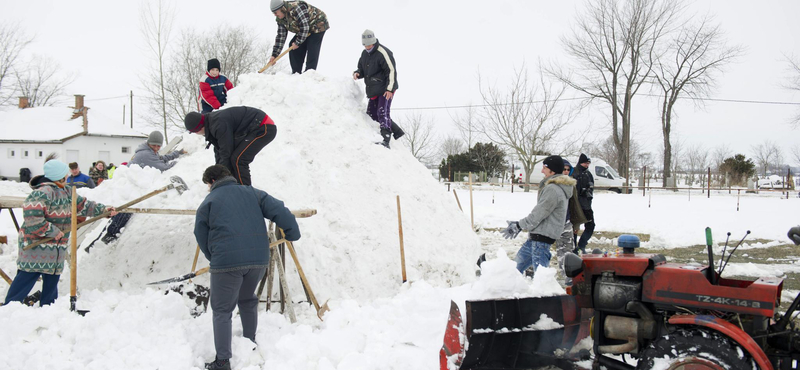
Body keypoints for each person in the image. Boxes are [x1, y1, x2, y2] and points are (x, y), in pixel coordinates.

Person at [195, 165, 300, 370]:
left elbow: (200, 233)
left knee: (222, 310)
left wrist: (213, 257)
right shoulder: (254, 193)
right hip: (258, 261)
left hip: (226, 264)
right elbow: (280, 210)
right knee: (247, 299)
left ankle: (223, 362)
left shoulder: (209, 201)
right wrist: (292, 234)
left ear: (211, 182)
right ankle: (249, 341)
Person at [4, 158, 116, 306]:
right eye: (65, 175)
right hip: (36, 248)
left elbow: (83, 205)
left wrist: (103, 210)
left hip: (56, 249)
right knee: (26, 278)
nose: (68, 177)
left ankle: (49, 309)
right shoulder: (41, 193)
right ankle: (9, 308)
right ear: (59, 176)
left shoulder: (67, 191)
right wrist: (51, 231)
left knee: (51, 282)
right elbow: (33, 218)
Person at [91, 131, 185, 248]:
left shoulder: (149, 151)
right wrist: (181, 163)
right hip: (130, 187)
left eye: (158, 146)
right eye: (154, 145)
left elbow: (161, 158)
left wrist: (177, 154)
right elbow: (163, 167)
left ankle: (100, 240)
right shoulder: (145, 154)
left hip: (133, 186)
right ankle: (108, 236)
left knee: (121, 211)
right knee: (125, 210)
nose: (156, 148)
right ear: (149, 143)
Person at [502, 155, 576, 274]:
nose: (542, 171)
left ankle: (546, 292)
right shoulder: (555, 187)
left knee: (542, 278)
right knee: (515, 270)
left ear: (552, 170)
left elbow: (538, 214)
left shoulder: (553, 189)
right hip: (536, 237)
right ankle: (501, 288)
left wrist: (519, 225)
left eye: (544, 168)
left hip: (541, 240)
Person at [184, 106, 277, 186]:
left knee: (238, 159)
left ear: (197, 130)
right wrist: (216, 175)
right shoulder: (210, 123)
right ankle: (234, 188)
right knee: (233, 159)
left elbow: (226, 151)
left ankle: (245, 194)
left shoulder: (218, 124)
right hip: (254, 128)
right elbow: (220, 151)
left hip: (264, 127)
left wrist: (219, 179)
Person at [353, 29, 404, 148]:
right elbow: (361, 68)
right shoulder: (364, 54)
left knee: (382, 112)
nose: (367, 47)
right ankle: (397, 131)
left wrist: (390, 89)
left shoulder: (383, 52)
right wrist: (357, 73)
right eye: (365, 45)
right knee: (371, 114)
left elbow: (391, 71)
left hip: (386, 88)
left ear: (374, 41)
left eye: (369, 44)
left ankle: (386, 139)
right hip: (374, 88)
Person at [269, 0, 329, 74]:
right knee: (293, 46)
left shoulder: (297, 8)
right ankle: (296, 73)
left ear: (282, 8)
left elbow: (305, 27)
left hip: (317, 25)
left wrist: (298, 42)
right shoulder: (281, 19)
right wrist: (274, 55)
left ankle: (309, 73)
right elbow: (281, 36)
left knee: (312, 46)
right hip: (304, 29)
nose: (275, 15)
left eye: (275, 12)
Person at [555, 159, 587, 285]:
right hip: (552, 223)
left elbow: (574, 205)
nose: (566, 171)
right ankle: (533, 272)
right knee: (541, 248)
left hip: (566, 222)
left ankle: (567, 276)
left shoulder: (571, 184)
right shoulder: (552, 184)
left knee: (567, 250)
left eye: (568, 169)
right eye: (564, 169)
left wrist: (576, 223)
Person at [572, 154, 595, 254]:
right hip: (576, 205)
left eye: (588, 163)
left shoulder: (588, 174)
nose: (587, 165)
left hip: (586, 205)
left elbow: (591, 188)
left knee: (590, 225)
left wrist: (588, 190)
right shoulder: (574, 173)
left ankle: (581, 245)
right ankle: (573, 248)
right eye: (585, 163)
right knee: (574, 228)